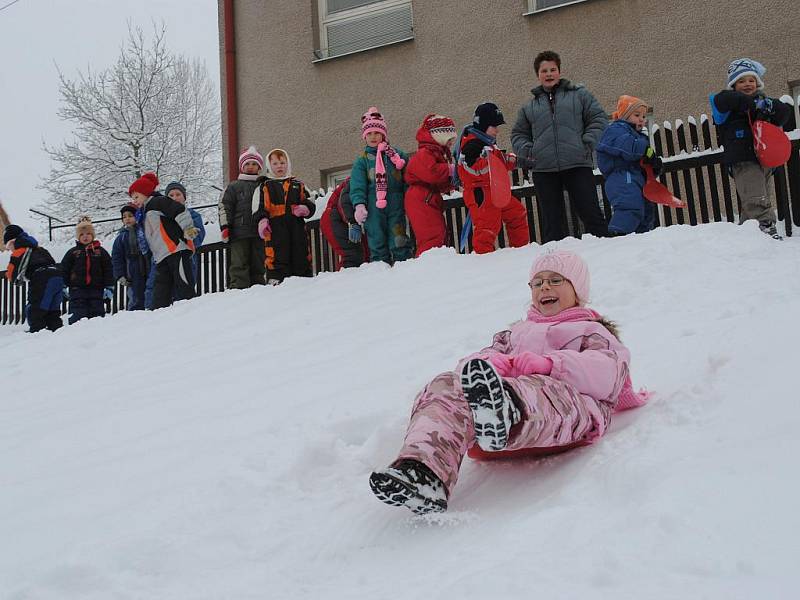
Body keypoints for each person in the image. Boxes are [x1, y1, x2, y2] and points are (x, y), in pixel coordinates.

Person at [369, 250, 648, 514]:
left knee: (544, 387)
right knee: (445, 383)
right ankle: (424, 473)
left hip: (565, 418)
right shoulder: (515, 333)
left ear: (578, 291)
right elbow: (469, 367)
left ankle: (505, 411)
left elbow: (609, 372)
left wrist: (552, 365)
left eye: (555, 280)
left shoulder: (591, 330)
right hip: (496, 431)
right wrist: (489, 363)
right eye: (537, 283)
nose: (544, 288)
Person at [511, 50, 609, 242]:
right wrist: (530, 152)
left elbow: (598, 118)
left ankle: (605, 250)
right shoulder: (529, 107)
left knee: (591, 213)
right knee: (552, 222)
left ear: (559, 71)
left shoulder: (579, 96)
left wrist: (587, 143)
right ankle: (554, 261)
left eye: (552, 69)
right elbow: (518, 134)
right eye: (544, 71)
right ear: (538, 75)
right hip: (544, 169)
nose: (549, 74)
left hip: (577, 164)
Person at [710, 58, 792, 240]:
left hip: (764, 159)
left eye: (751, 80)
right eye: (741, 81)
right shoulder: (727, 103)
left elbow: (784, 113)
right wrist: (752, 103)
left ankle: (747, 236)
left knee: (757, 196)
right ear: (733, 84)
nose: (747, 84)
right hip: (742, 159)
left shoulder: (765, 102)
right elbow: (721, 100)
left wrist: (768, 106)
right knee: (756, 197)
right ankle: (766, 228)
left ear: (757, 83)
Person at [456, 102, 529, 254]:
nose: (497, 130)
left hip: (496, 191)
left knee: (516, 213)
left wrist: (514, 161)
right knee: (487, 227)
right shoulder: (472, 145)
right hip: (481, 194)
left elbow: (498, 161)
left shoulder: (487, 143)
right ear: (483, 126)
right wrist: (488, 160)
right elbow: (471, 169)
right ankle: (485, 261)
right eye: (494, 126)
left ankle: (521, 251)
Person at [349, 107, 412, 264]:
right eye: (369, 133)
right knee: (376, 239)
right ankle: (379, 268)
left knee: (398, 237)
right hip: (372, 206)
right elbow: (357, 186)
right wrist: (359, 205)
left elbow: (409, 180)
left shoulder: (397, 156)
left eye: (376, 133)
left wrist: (409, 199)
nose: (373, 136)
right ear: (364, 137)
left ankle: (402, 264)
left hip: (395, 203)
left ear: (383, 134)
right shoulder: (362, 161)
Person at [127, 172, 199, 309]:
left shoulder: (158, 201)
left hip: (176, 249)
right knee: (161, 286)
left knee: (183, 282)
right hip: (161, 256)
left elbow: (179, 210)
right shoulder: (143, 213)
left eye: (136, 196)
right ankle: (158, 311)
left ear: (146, 193)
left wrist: (188, 228)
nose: (134, 201)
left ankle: (191, 308)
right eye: (132, 198)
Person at [597, 95, 663, 235]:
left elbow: (642, 164)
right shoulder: (616, 129)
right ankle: (617, 235)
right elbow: (626, 146)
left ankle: (641, 241)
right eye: (637, 115)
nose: (641, 119)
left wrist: (653, 165)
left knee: (645, 211)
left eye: (644, 116)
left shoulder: (639, 137)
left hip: (636, 179)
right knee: (630, 207)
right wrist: (644, 150)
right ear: (625, 116)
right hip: (622, 178)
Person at [252, 148, 315, 284]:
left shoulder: (298, 185)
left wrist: (305, 208)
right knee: (276, 254)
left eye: (282, 162)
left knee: (301, 251)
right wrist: (262, 220)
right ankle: (276, 279)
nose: (279, 166)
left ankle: (304, 278)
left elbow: (310, 201)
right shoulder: (264, 186)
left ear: (288, 164)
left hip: (296, 226)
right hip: (275, 228)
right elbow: (258, 206)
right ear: (269, 166)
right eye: (275, 164)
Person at [404, 114, 458, 257]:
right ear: (439, 137)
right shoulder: (425, 153)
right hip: (420, 198)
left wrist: (453, 183)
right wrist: (451, 170)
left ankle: (435, 266)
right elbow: (431, 172)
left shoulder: (437, 153)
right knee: (431, 236)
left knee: (439, 234)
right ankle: (426, 268)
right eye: (449, 139)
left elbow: (438, 180)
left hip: (428, 196)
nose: (452, 142)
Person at [218, 146, 267, 287]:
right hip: (239, 233)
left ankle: (258, 288)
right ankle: (239, 291)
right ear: (242, 166)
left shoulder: (264, 185)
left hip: (259, 234)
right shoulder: (233, 187)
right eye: (247, 164)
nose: (250, 167)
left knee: (258, 263)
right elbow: (224, 206)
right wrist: (225, 227)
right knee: (239, 264)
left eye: (254, 164)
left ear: (259, 167)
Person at [4, 224, 63, 332]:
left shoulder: (20, 251)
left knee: (35, 309)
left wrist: (12, 277)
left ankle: (37, 333)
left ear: (13, 241)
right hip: (57, 276)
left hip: (42, 278)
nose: (10, 250)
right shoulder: (40, 249)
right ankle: (57, 331)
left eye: (9, 247)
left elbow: (11, 273)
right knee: (52, 310)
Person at [60, 217, 114, 324]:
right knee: (78, 316)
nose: (85, 237)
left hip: (96, 289)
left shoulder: (100, 252)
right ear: (78, 237)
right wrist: (63, 285)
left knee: (96, 316)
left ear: (92, 235)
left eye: (88, 234)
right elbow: (64, 269)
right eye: (82, 234)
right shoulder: (73, 253)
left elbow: (108, 269)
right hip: (77, 290)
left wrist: (109, 286)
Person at [319, 178, 368, 270]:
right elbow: (344, 202)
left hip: (344, 219)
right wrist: (352, 223)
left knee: (365, 251)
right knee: (352, 254)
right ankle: (345, 280)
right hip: (333, 217)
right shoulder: (356, 178)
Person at [111, 204, 152, 310]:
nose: (127, 219)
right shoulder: (122, 237)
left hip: (148, 267)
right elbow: (117, 257)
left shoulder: (144, 231)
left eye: (130, 215)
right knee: (135, 297)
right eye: (124, 217)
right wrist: (120, 275)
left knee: (150, 292)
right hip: (133, 272)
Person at [165, 181, 206, 287]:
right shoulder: (163, 218)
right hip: (167, 260)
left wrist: (189, 236)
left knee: (186, 289)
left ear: (184, 197)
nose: (174, 198)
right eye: (171, 195)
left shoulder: (193, 216)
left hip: (187, 259)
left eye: (178, 194)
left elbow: (198, 238)